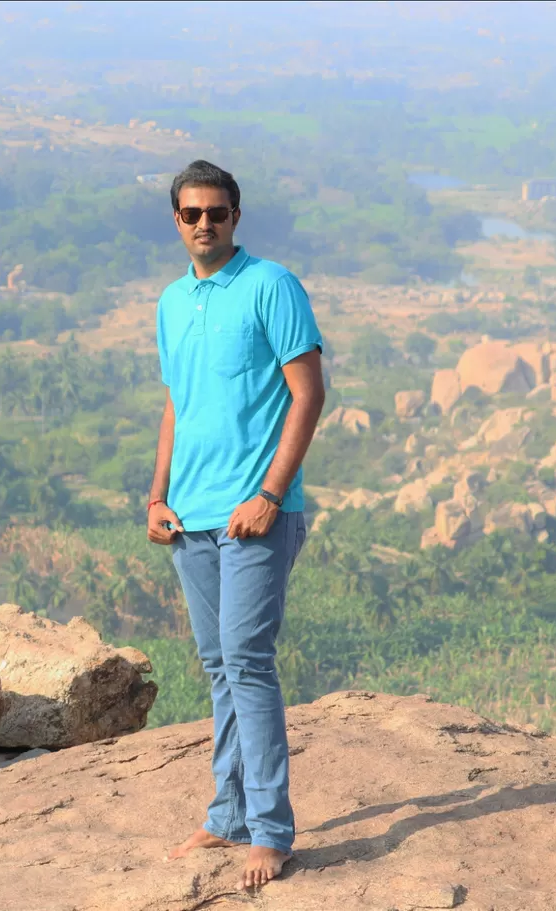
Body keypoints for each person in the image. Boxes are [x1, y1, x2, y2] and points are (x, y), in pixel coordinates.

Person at [146, 160, 324, 889]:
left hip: (254, 515)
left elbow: (308, 393)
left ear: (236, 217)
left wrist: (271, 495)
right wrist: (156, 495)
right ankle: (226, 814)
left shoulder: (271, 286)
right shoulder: (171, 301)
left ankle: (271, 830)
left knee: (247, 662)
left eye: (217, 212)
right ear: (177, 221)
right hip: (190, 513)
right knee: (219, 666)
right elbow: (176, 404)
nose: (204, 224)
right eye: (191, 214)